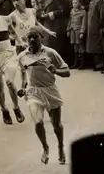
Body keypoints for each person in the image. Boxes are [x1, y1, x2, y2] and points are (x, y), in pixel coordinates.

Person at [17, 26, 70, 165]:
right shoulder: (22, 56)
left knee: (56, 125)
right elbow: (23, 74)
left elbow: (67, 72)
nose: (32, 40)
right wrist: (23, 88)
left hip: (51, 91)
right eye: (29, 37)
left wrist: (56, 70)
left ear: (42, 37)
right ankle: (45, 147)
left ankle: (60, 147)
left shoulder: (51, 53)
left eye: (35, 36)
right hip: (34, 92)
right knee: (38, 122)